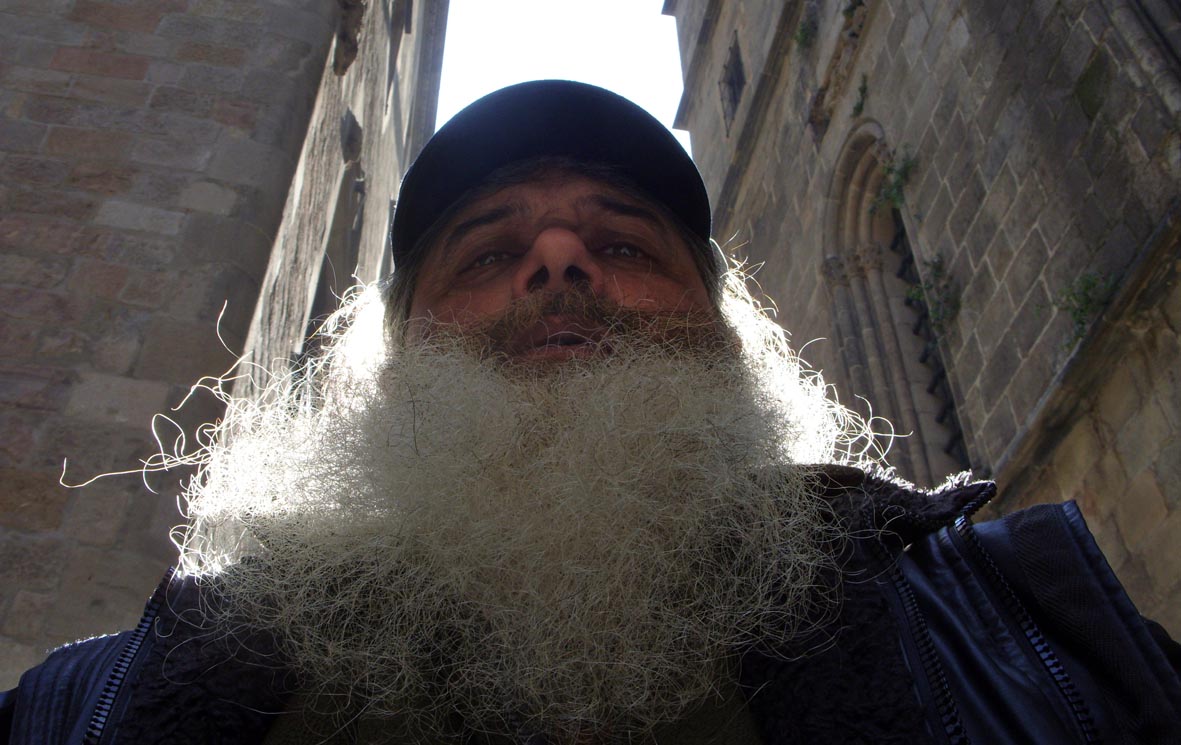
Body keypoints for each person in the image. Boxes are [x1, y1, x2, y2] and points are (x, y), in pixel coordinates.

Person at [2, 80, 1179, 745]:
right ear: (398, 362)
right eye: (486, 254)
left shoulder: (1026, 631)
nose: (558, 261)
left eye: (621, 244)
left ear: (722, 337)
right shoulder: (86, 710)